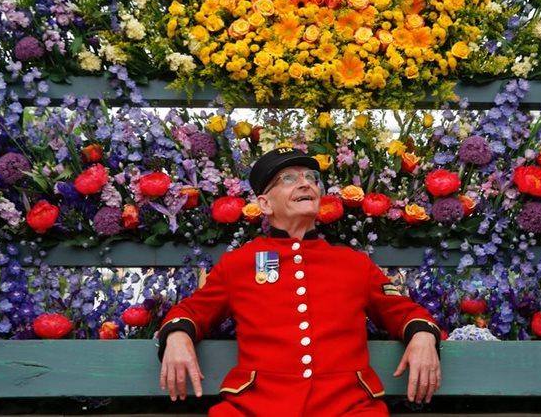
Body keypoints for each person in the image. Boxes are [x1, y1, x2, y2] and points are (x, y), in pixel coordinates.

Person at [156, 147, 442, 416]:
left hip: (348, 407)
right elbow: (193, 310)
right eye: (289, 179)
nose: (305, 183)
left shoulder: (354, 264)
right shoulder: (240, 264)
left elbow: (402, 310)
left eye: (310, 178)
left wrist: (422, 335)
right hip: (256, 407)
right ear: (265, 204)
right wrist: (178, 336)